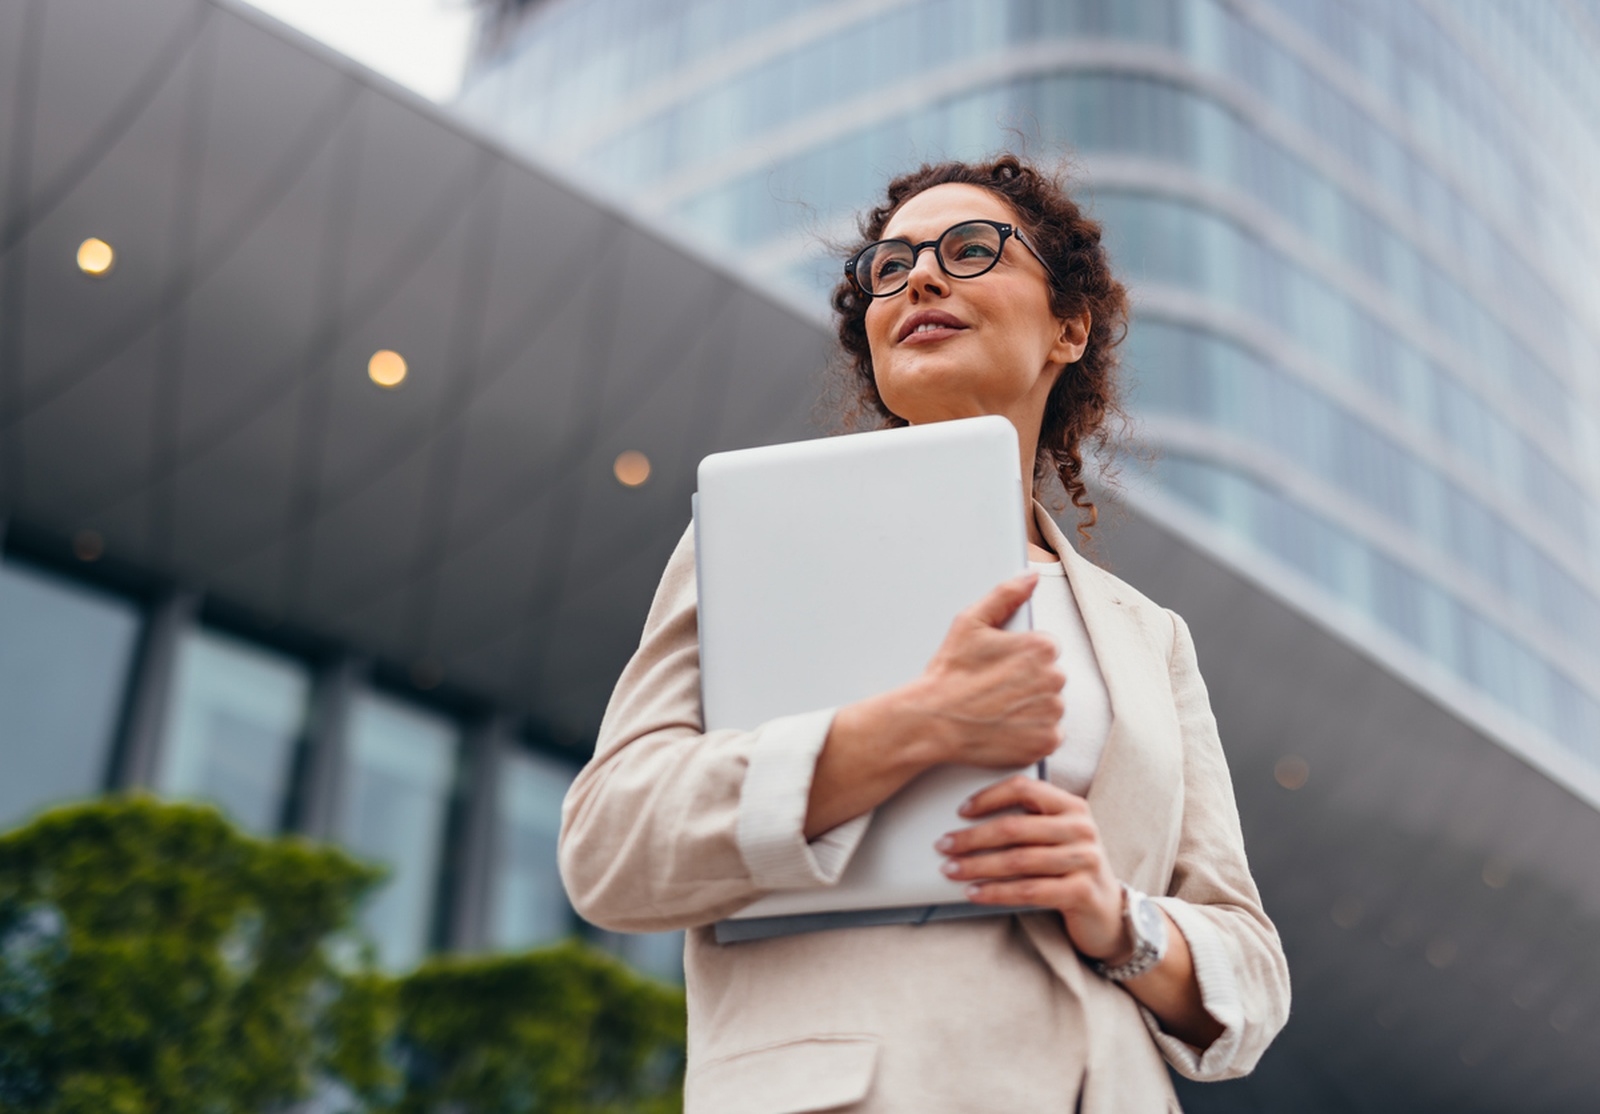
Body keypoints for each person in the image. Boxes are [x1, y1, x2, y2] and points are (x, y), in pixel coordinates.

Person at [559, 155, 1291, 1113]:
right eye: (889, 265)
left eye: (970, 248)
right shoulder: (761, 536)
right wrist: (910, 727)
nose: (921, 278)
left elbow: (1251, 969)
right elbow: (612, 845)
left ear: (1069, 328)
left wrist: (1117, 918)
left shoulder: (1148, 635)